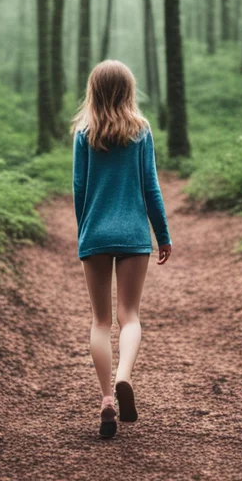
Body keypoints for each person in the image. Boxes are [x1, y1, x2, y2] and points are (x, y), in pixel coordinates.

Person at [71, 59, 172, 438]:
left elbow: (79, 190)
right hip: (133, 235)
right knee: (129, 316)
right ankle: (124, 377)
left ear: (93, 91)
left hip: (95, 233)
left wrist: (86, 233)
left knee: (100, 321)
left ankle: (106, 400)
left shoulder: (84, 133)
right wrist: (162, 235)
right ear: (128, 90)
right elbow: (151, 188)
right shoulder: (141, 132)